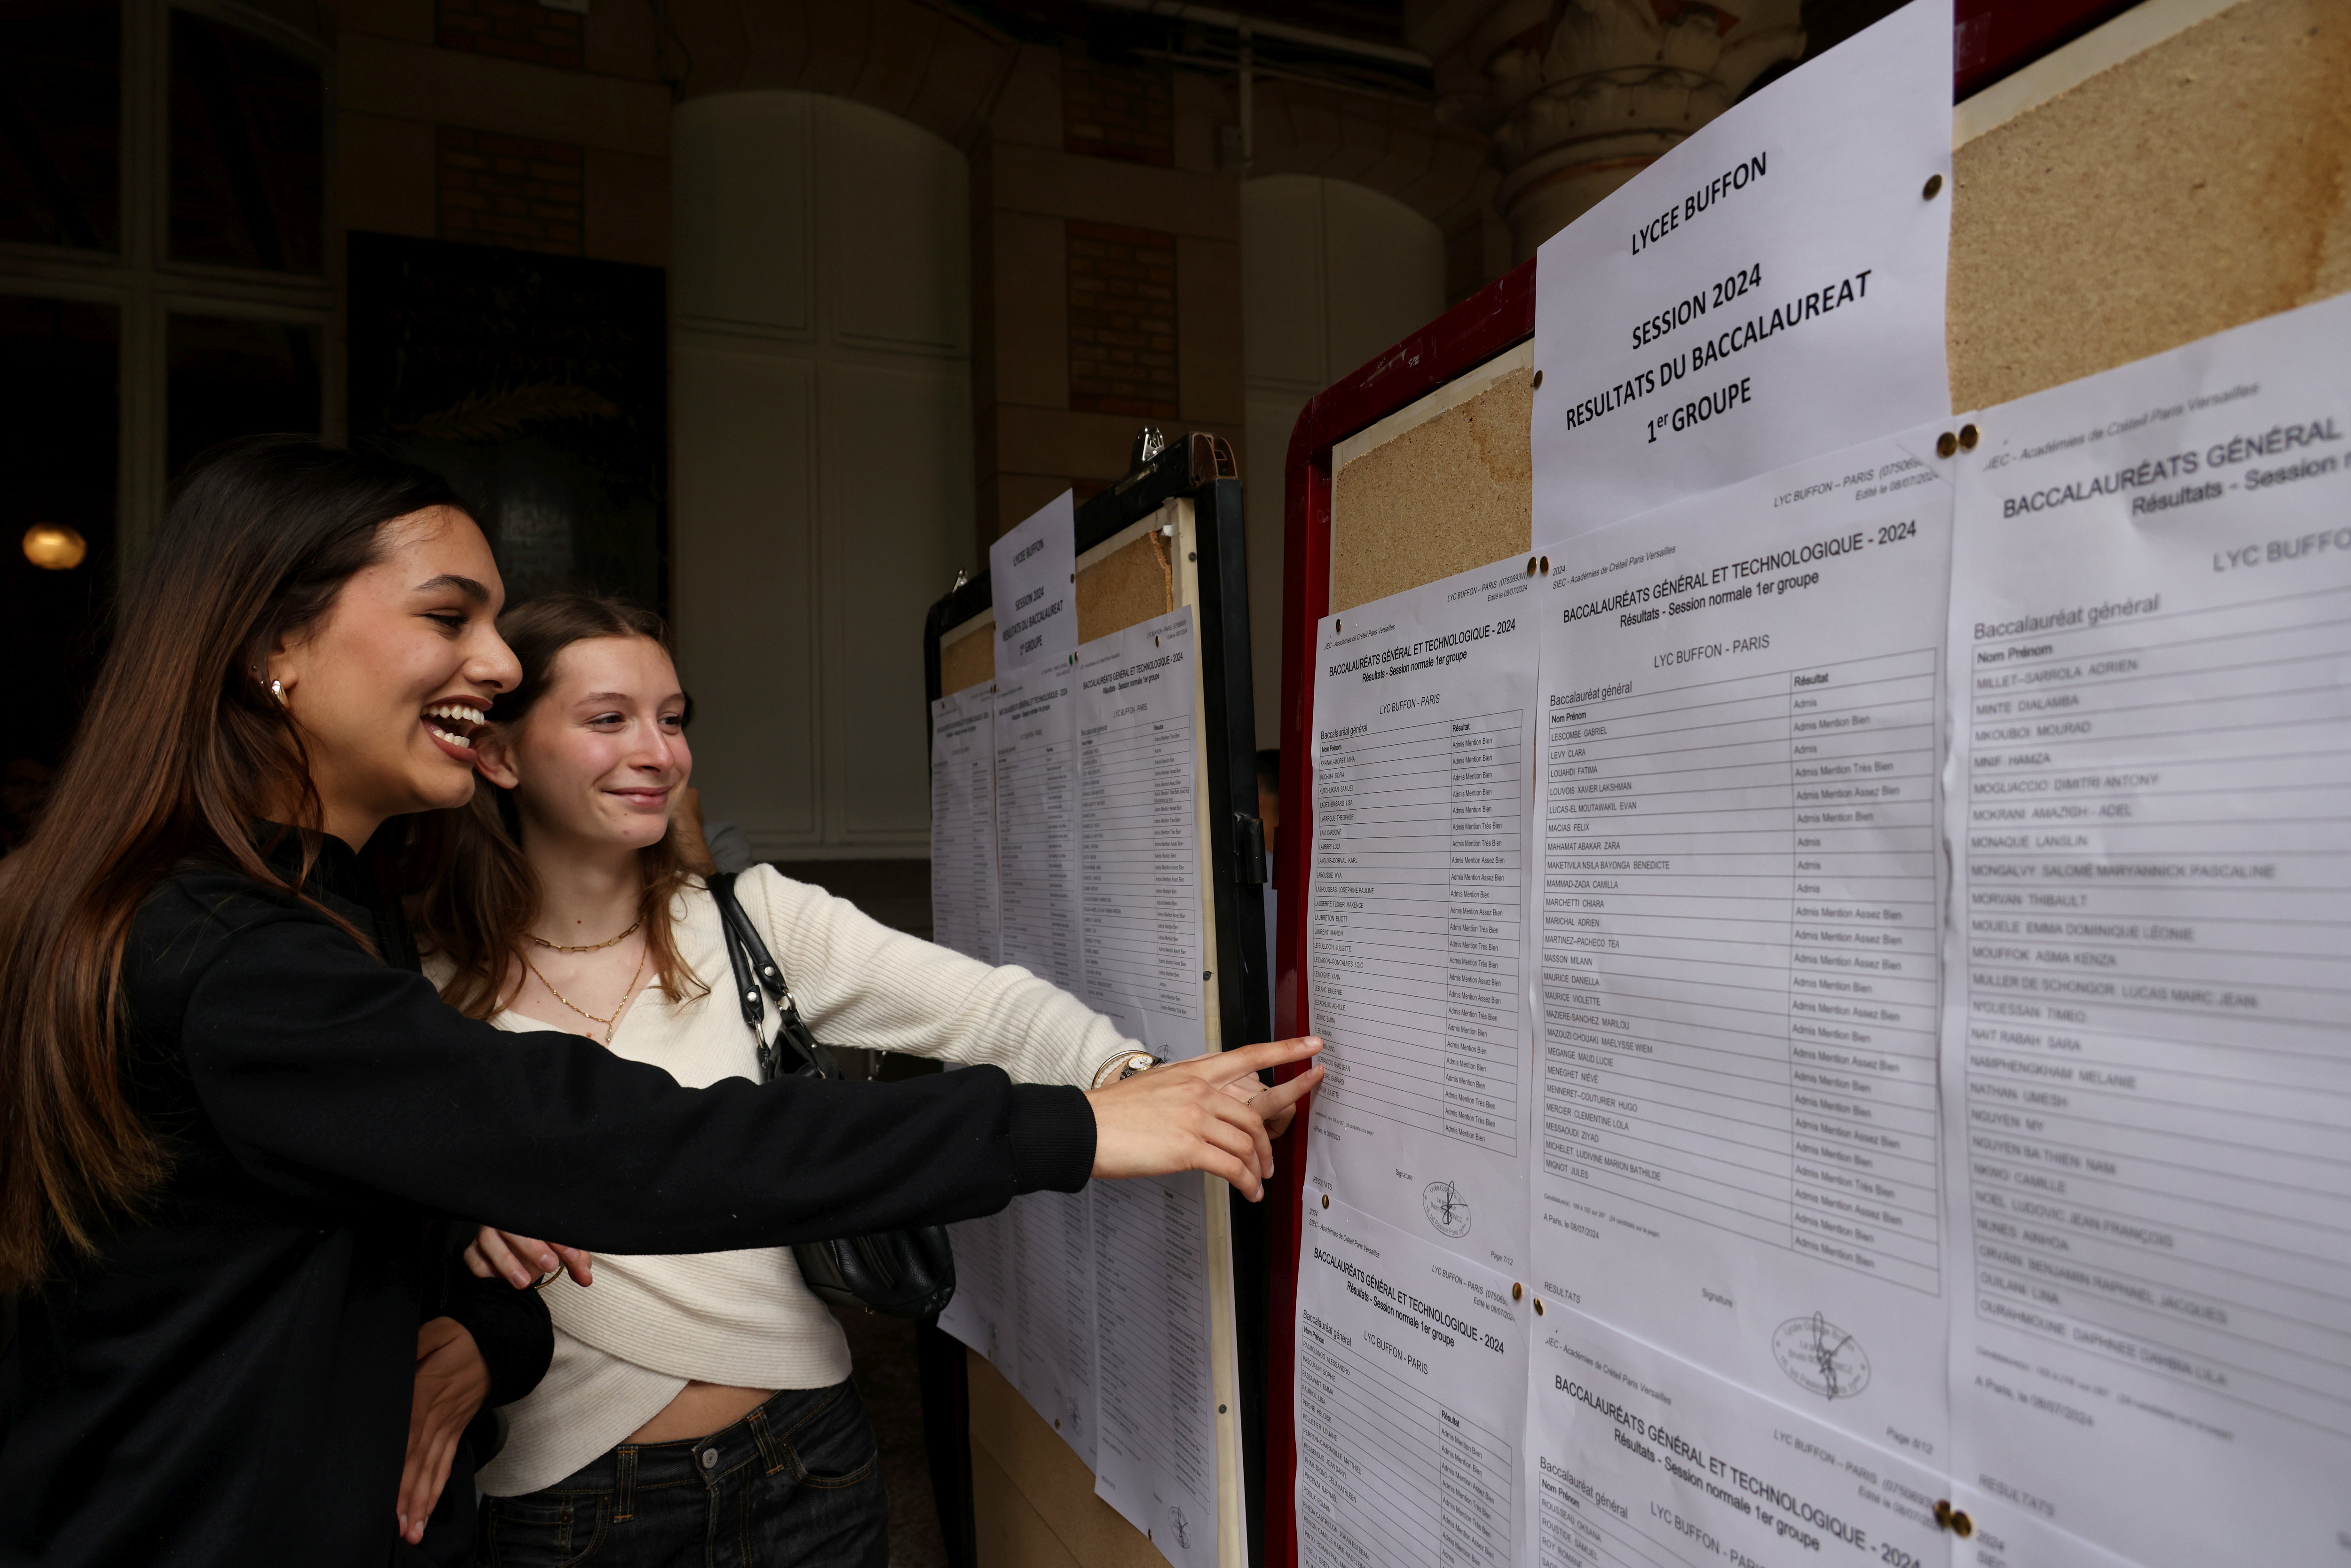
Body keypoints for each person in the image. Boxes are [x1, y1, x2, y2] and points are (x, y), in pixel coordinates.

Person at [0, 437, 1322, 1568]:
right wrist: (1080, 1131)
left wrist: (479, 1307)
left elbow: (389, 1228)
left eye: (673, 717)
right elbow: (625, 1150)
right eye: (448, 617)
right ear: (271, 647)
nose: (496, 665)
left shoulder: (329, 912)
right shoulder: (243, 951)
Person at [408, 591, 1281, 1564]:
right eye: (608, 719)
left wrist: (1142, 1085)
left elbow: (993, 1011)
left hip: (805, 1465)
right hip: (565, 1505)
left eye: (673, 718)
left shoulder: (752, 922)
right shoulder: (421, 998)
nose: (659, 753)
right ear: (497, 754)